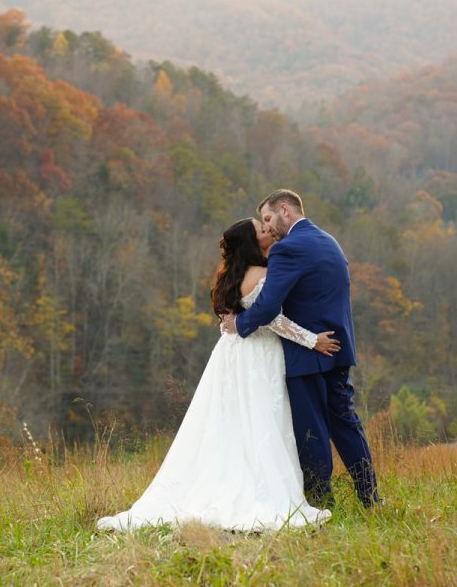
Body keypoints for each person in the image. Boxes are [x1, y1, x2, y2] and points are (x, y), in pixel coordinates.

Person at [97, 218, 340, 532]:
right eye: (261, 229)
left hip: (231, 354)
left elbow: (243, 317)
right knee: (261, 420)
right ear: (252, 243)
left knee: (230, 424)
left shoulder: (231, 276)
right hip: (258, 356)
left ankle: (226, 479)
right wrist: (312, 339)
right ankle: (255, 490)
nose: (268, 230)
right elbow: (273, 320)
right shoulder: (262, 274)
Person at [221, 189, 380, 508]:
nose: (268, 228)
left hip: (306, 355)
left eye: (268, 218)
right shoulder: (328, 241)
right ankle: (370, 496)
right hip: (337, 348)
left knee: (312, 431)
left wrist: (238, 325)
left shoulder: (288, 249)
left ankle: (322, 502)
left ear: (284, 210)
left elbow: (266, 308)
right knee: (346, 424)